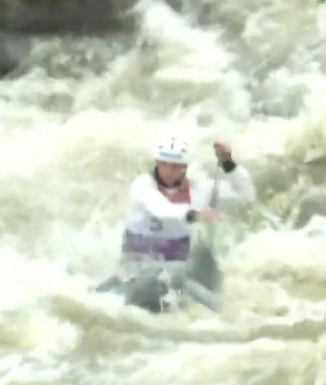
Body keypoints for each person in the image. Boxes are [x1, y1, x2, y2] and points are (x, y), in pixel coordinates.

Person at [95, 132, 256, 312]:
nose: (168, 171)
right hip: (137, 266)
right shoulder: (142, 186)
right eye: (163, 164)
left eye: (175, 166)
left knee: (200, 262)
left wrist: (228, 164)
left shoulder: (200, 190)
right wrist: (195, 214)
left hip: (175, 268)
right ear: (157, 163)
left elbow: (246, 196)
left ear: (184, 168)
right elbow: (162, 209)